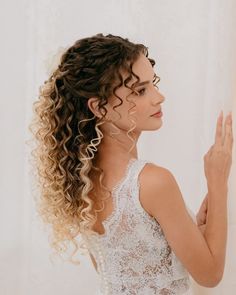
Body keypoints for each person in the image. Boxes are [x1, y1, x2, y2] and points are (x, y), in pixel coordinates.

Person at [29, 33, 233, 294]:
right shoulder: (152, 182)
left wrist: (195, 232)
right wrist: (218, 182)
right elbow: (210, 275)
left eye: (153, 84)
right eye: (140, 90)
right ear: (99, 107)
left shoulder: (82, 184)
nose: (159, 97)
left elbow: (128, 269)